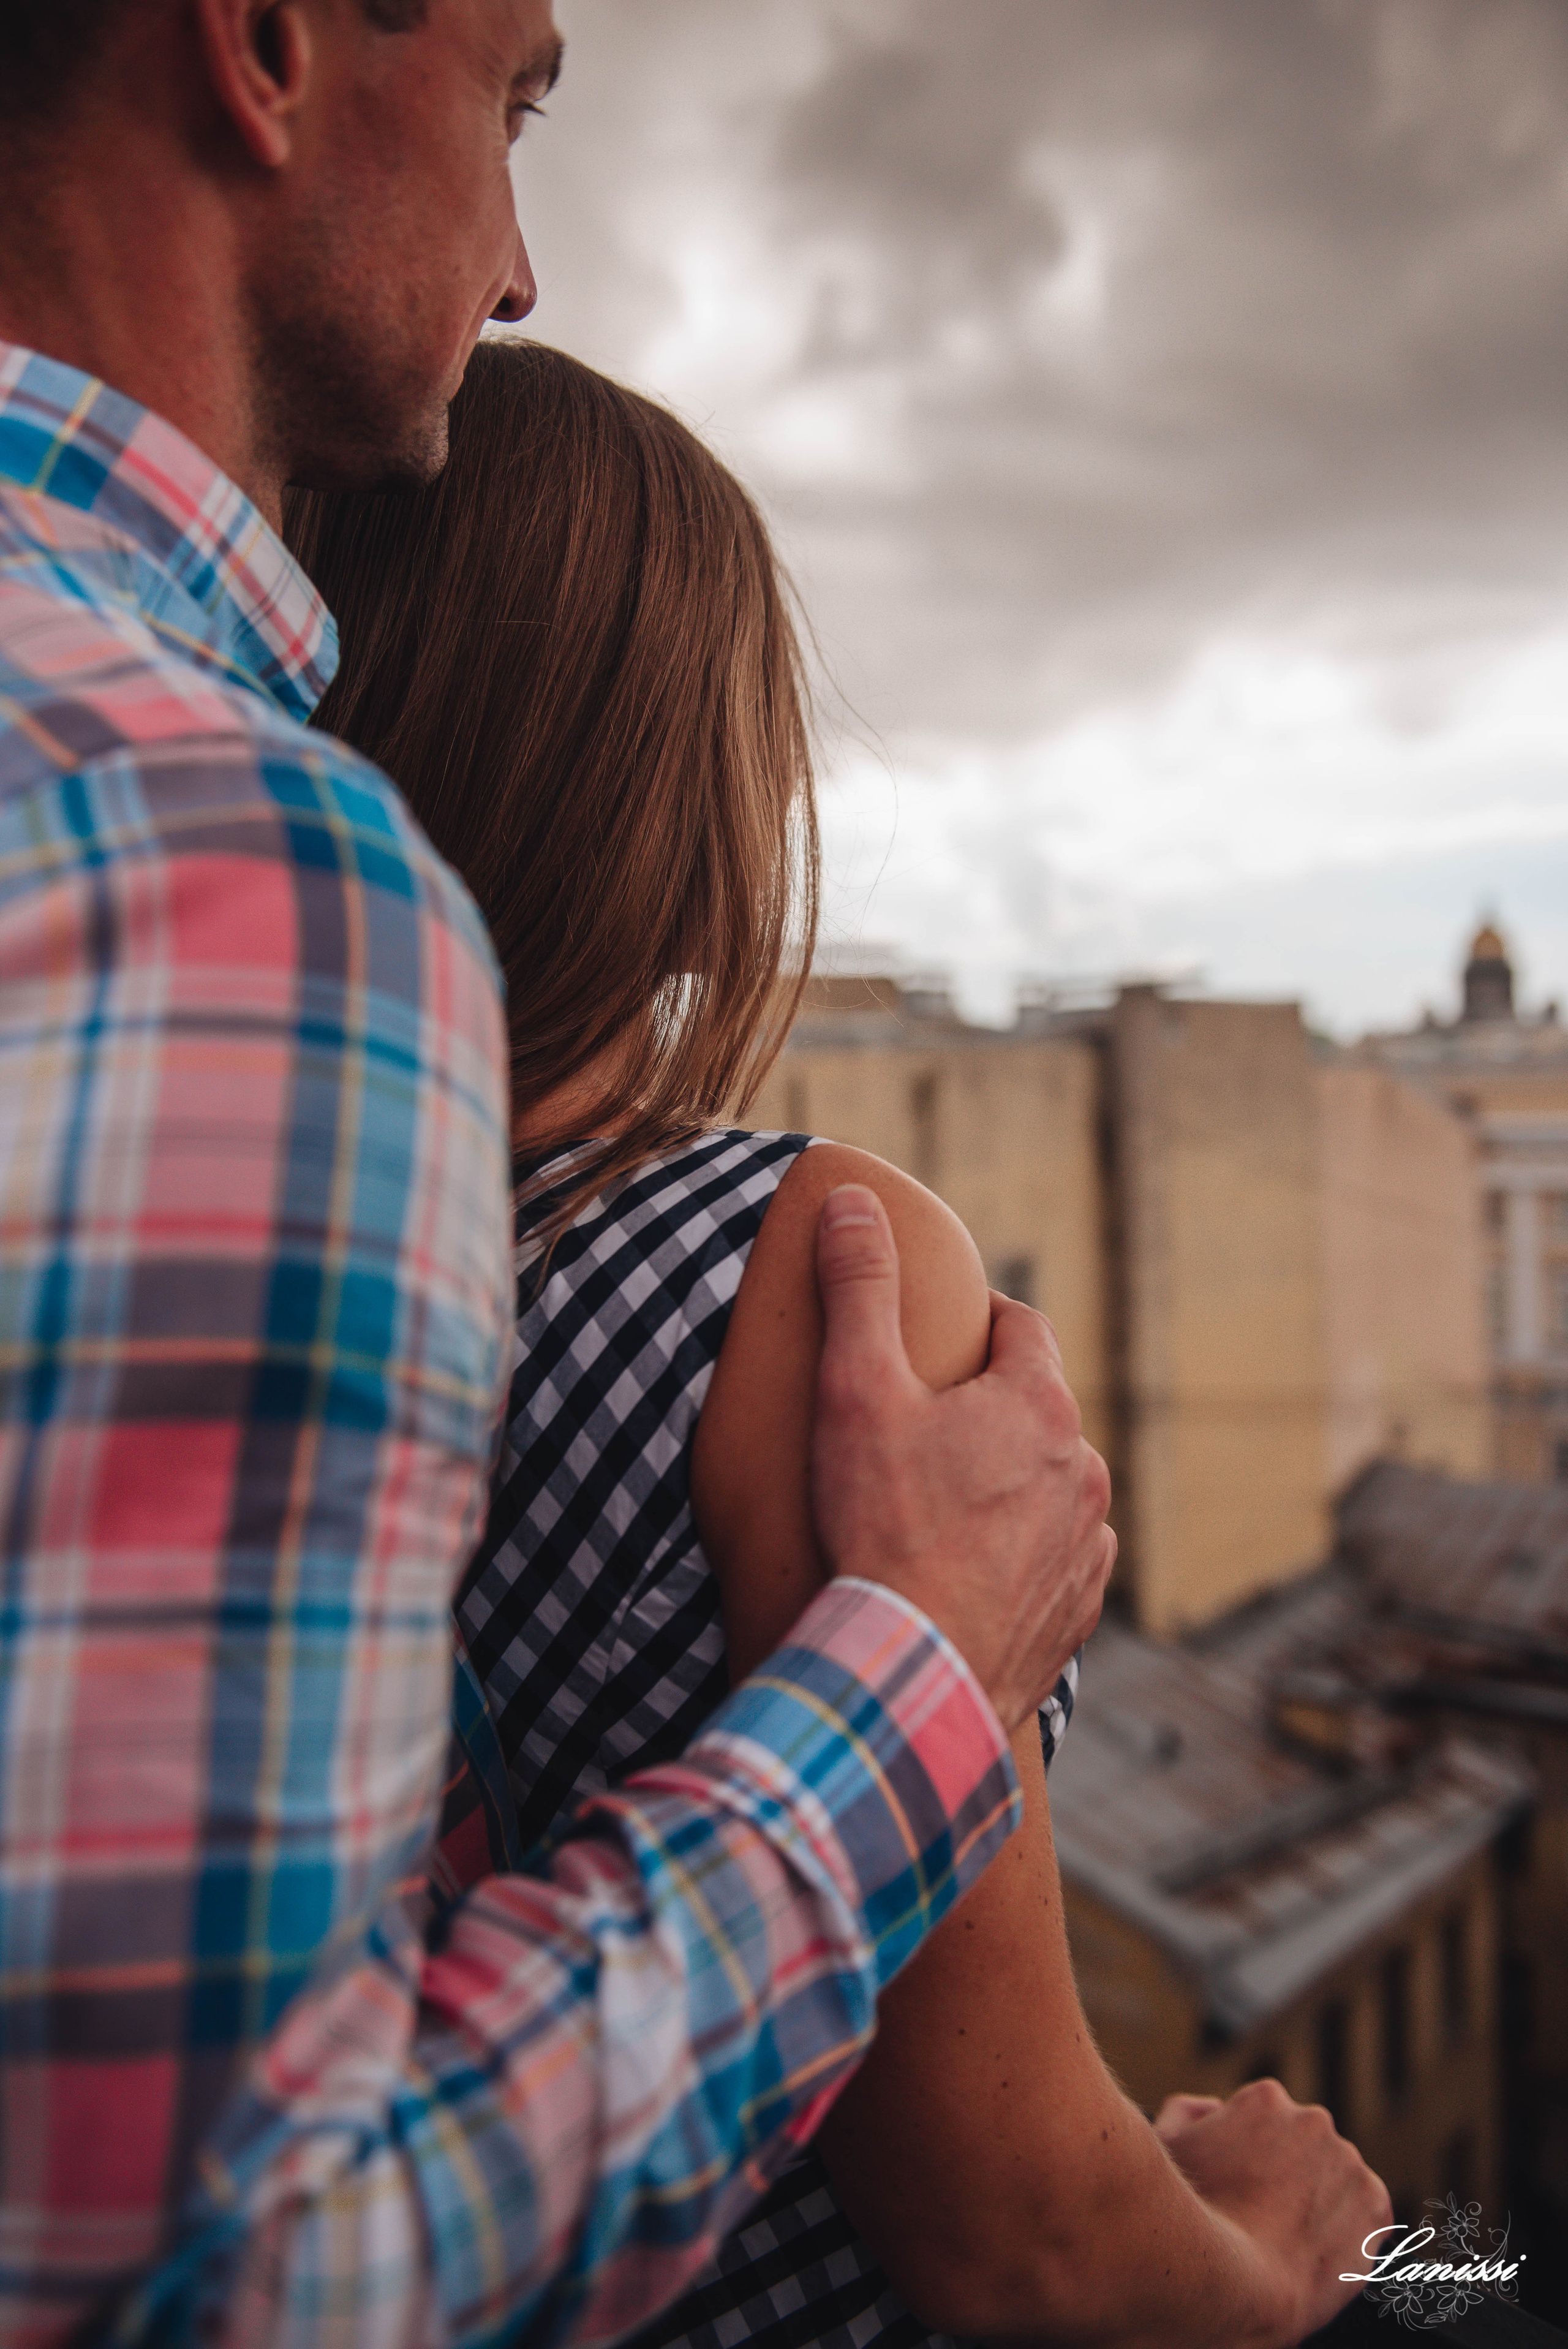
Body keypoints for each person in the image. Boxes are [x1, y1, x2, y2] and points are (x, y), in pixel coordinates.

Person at [0, 4, 1117, 2345]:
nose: (520, 266)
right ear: (265, 41)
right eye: (512, 100)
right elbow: (221, 2269)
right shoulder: (225, 885)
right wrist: (919, 1684)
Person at [288, 338, 1392, 2349]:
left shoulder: (292, 1272)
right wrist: (1268, 2248)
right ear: (677, 785)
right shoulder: (817, 1269)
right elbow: (1022, 2239)